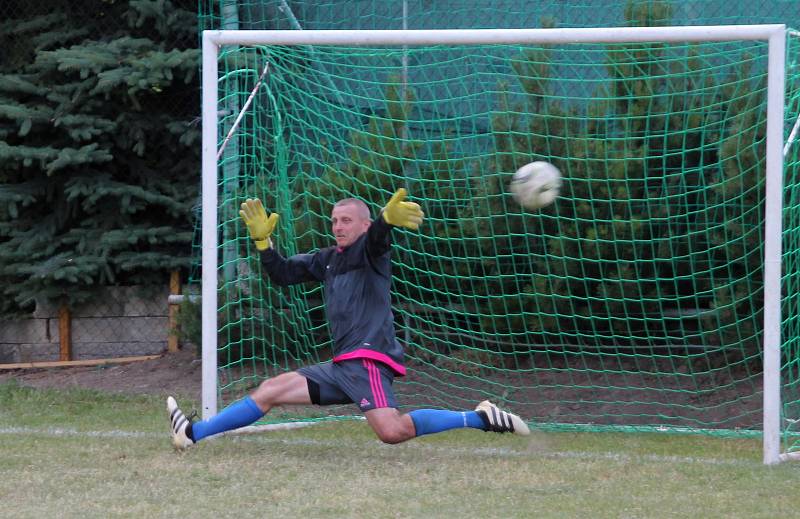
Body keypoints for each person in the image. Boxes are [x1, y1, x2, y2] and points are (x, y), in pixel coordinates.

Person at [168, 188, 529, 449]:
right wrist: (265, 246)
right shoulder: (327, 258)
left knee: (392, 432)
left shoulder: (370, 251)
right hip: (343, 364)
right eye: (334, 221)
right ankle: (192, 434)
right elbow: (282, 275)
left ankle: (481, 417)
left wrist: (386, 220)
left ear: (363, 223)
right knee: (269, 391)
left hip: (367, 358)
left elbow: (377, 239)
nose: (338, 226)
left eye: (346, 221)